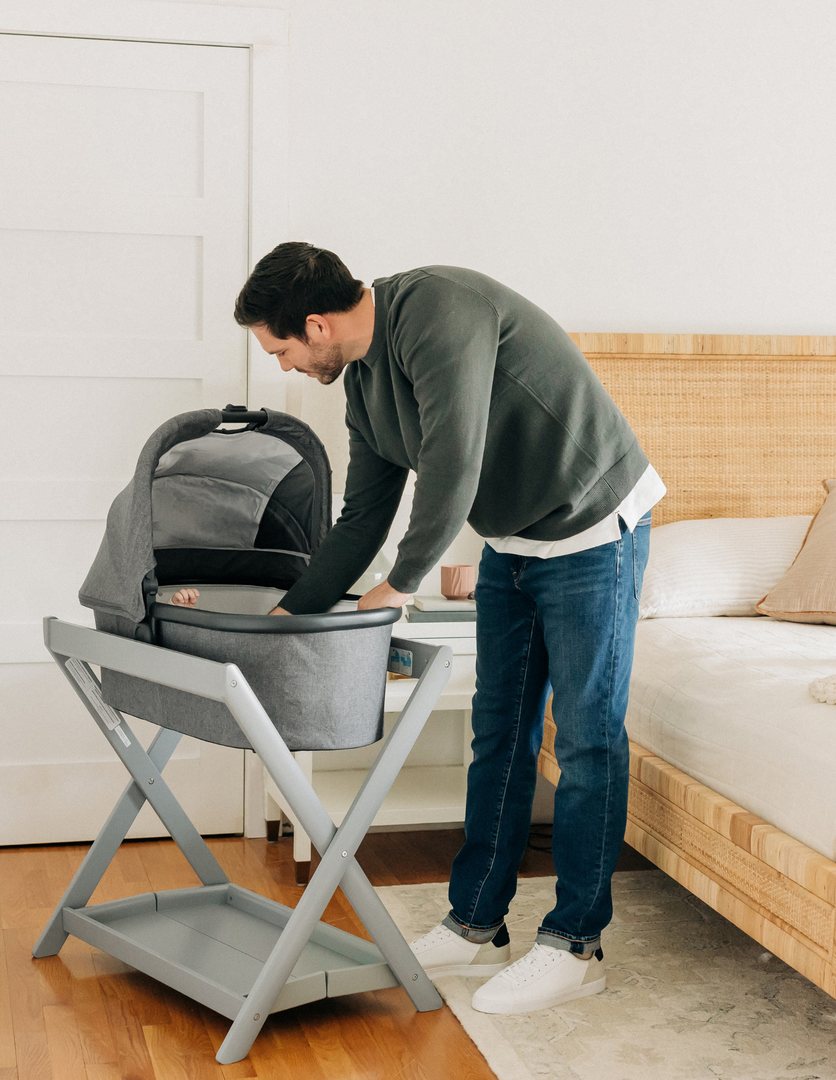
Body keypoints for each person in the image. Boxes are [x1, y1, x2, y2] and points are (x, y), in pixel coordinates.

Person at [232, 243, 664, 1015]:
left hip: (594, 529)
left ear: (318, 325)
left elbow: (454, 456)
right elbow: (364, 512)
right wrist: (289, 614)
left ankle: (576, 945)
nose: (285, 367)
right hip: (515, 544)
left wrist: (400, 584)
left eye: (282, 349)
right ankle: (475, 926)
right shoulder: (361, 384)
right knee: (498, 732)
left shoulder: (436, 309)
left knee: (589, 736)